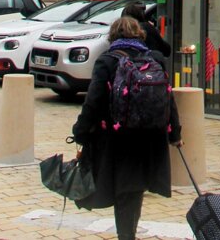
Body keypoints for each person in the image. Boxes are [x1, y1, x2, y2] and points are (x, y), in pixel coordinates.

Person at [72, 16, 182, 240]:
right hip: (150, 137)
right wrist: (175, 134)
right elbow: (168, 99)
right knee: (133, 191)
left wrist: (80, 131)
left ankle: (126, 235)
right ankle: (128, 232)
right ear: (139, 35)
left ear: (113, 36)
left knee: (123, 191)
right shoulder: (155, 58)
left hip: (118, 138)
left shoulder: (107, 61)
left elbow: (93, 100)